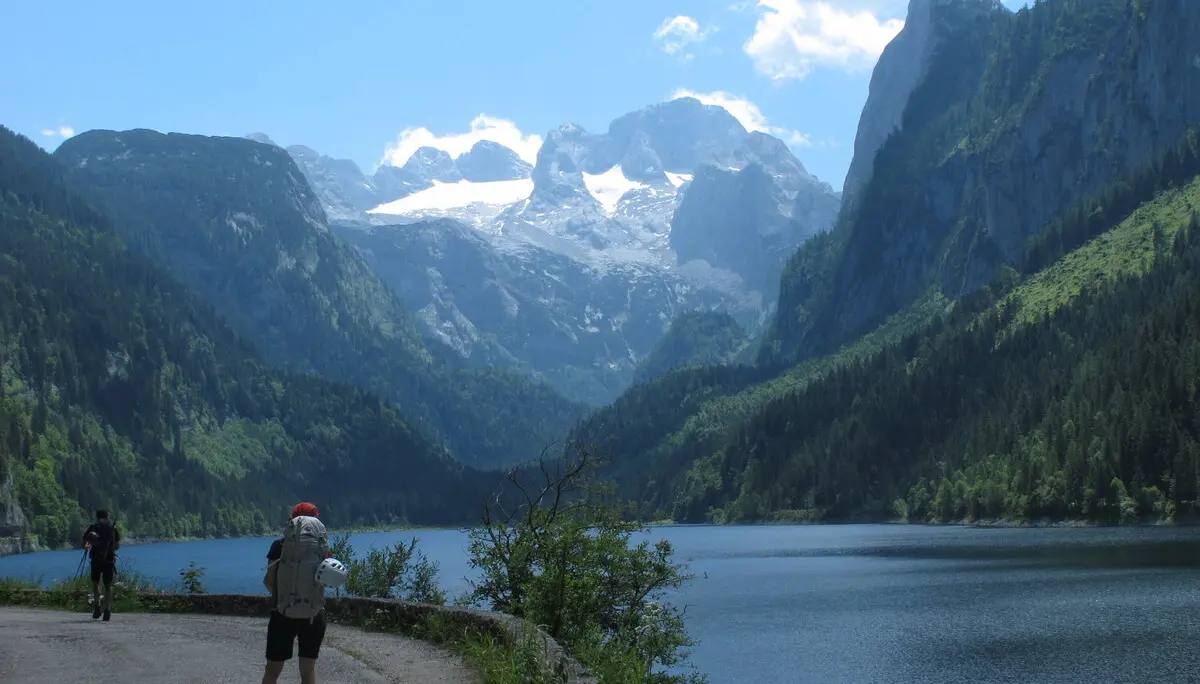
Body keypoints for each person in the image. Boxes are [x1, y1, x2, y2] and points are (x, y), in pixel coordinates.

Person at [262, 502, 331, 684]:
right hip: (313, 614)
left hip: (281, 612)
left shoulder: (279, 546)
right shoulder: (322, 550)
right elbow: (326, 582)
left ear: (292, 520)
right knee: (307, 670)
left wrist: (285, 594)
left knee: (272, 670)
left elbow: (269, 581)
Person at [81, 509, 120, 621]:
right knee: (108, 586)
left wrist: (89, 547)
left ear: (97, 517)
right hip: (109, 561)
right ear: (107, 516)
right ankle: (107, 610)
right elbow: (117, 546)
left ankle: (97, 607)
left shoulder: (93, 527)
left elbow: (83, 544)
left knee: (95, 584)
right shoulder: (113, 528)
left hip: (96, 560)